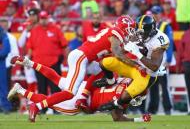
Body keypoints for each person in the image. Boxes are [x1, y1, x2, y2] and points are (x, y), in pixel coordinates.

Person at [17, 15, 136, 122]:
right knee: (69, 93)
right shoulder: (116, 33)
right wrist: (134, 64)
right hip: (82, 58)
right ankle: (37, 106)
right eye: (131, 28)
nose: (131, 32)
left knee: (102, 66)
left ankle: (90, 92)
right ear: (125, 27)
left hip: (86, 59)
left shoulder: (112, 32)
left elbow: (115, 53)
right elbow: (117, 53)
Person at [8, 56, 150, 122]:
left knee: (57, 79)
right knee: (49, 100)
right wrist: (83, 96)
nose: (136, 98)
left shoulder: (122, 83)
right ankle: (21, 90)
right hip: (81, 102)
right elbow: (95, 77)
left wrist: (139, 120)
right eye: (138, 96)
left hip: (83, 91)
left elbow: (118, 118)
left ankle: (29, 62)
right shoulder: (121, 83)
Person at [94, 15, 170, 112]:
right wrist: (126, 52)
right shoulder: (136, 34)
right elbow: (120, 53)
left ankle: (117, 104)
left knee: (126, 95)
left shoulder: (159, 40)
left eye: (142, 33)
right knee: (105, 62)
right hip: (136, 66)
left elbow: (154, 66)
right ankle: (110, 80)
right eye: (138, 32)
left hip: (148, 73)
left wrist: (137, 53)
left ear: (151, 31)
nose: (139, 35)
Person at [26, 10, 67, 105]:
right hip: (39, 64)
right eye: (42, 18)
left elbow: (64, 45)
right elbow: (30, 48)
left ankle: (57, 108)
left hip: (54, 63)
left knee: (55, 87)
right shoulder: (34, 31)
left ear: (48, 18)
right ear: (39, 19)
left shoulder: (56, 29)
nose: (43, 20)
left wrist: (66, 59)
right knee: (41, 88)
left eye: (45, 18)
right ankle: (42, 108)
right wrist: (27, 60)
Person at [147, 5, 173, 115]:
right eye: (154, 13)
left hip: (162, 61)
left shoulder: (165, 26)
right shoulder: (149, 26)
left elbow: (170, 43)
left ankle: (168, 108)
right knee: (153, 86)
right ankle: (153, 109)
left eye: (157, 13)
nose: (155, 15)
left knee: (164, 86)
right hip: (152, 61)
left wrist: (169, 59)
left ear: (161, 14)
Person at [0, 17, 19, 91]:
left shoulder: (11, 37)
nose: (3, 25)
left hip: (7, 65)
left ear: (8, 25)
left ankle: (5, 102)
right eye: (1, 22)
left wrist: (12, 65)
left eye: (5, 23)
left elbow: (15, 52)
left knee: (6, 86)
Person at [176, 24, 190, 115]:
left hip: (187, 65)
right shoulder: (185, 34)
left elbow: (180, 52)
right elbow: (180, 52)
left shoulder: (186, 34)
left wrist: (178, 67)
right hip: (187, 65)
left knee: (189, 89)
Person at [0, 25, 11, 113]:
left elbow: (7, 48)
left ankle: (5, 106)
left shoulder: (1, 31)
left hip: (0, 62)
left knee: (2, 86)